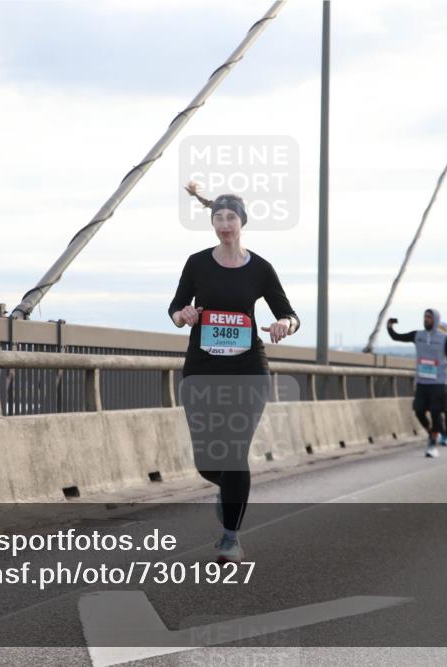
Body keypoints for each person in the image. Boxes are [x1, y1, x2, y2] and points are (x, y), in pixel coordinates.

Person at [169, 182, 300, 563]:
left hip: (248, 371)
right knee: (209, 461)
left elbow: (289, 313)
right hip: (202, 371)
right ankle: (229, 494)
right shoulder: (197, 263)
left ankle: (230, 538)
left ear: (242, 222)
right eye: (218, 217)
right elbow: (177, 307)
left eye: (231, 217)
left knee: (234, 451)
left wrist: (284, 326)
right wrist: (183, 315)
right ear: (212, 222)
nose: (224, 223)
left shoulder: (260, 268)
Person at [387, 309, 447, 458]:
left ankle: (432, 445)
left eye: (429, 317)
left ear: (435, 320)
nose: (426, 319)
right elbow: (397, 337)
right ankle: (432, 433)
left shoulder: (444, 339)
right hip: (422, 382)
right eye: (425, 317)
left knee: (435, 413)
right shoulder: (418, 335)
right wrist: (390, 326)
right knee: (419, 411)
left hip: (439, 383)